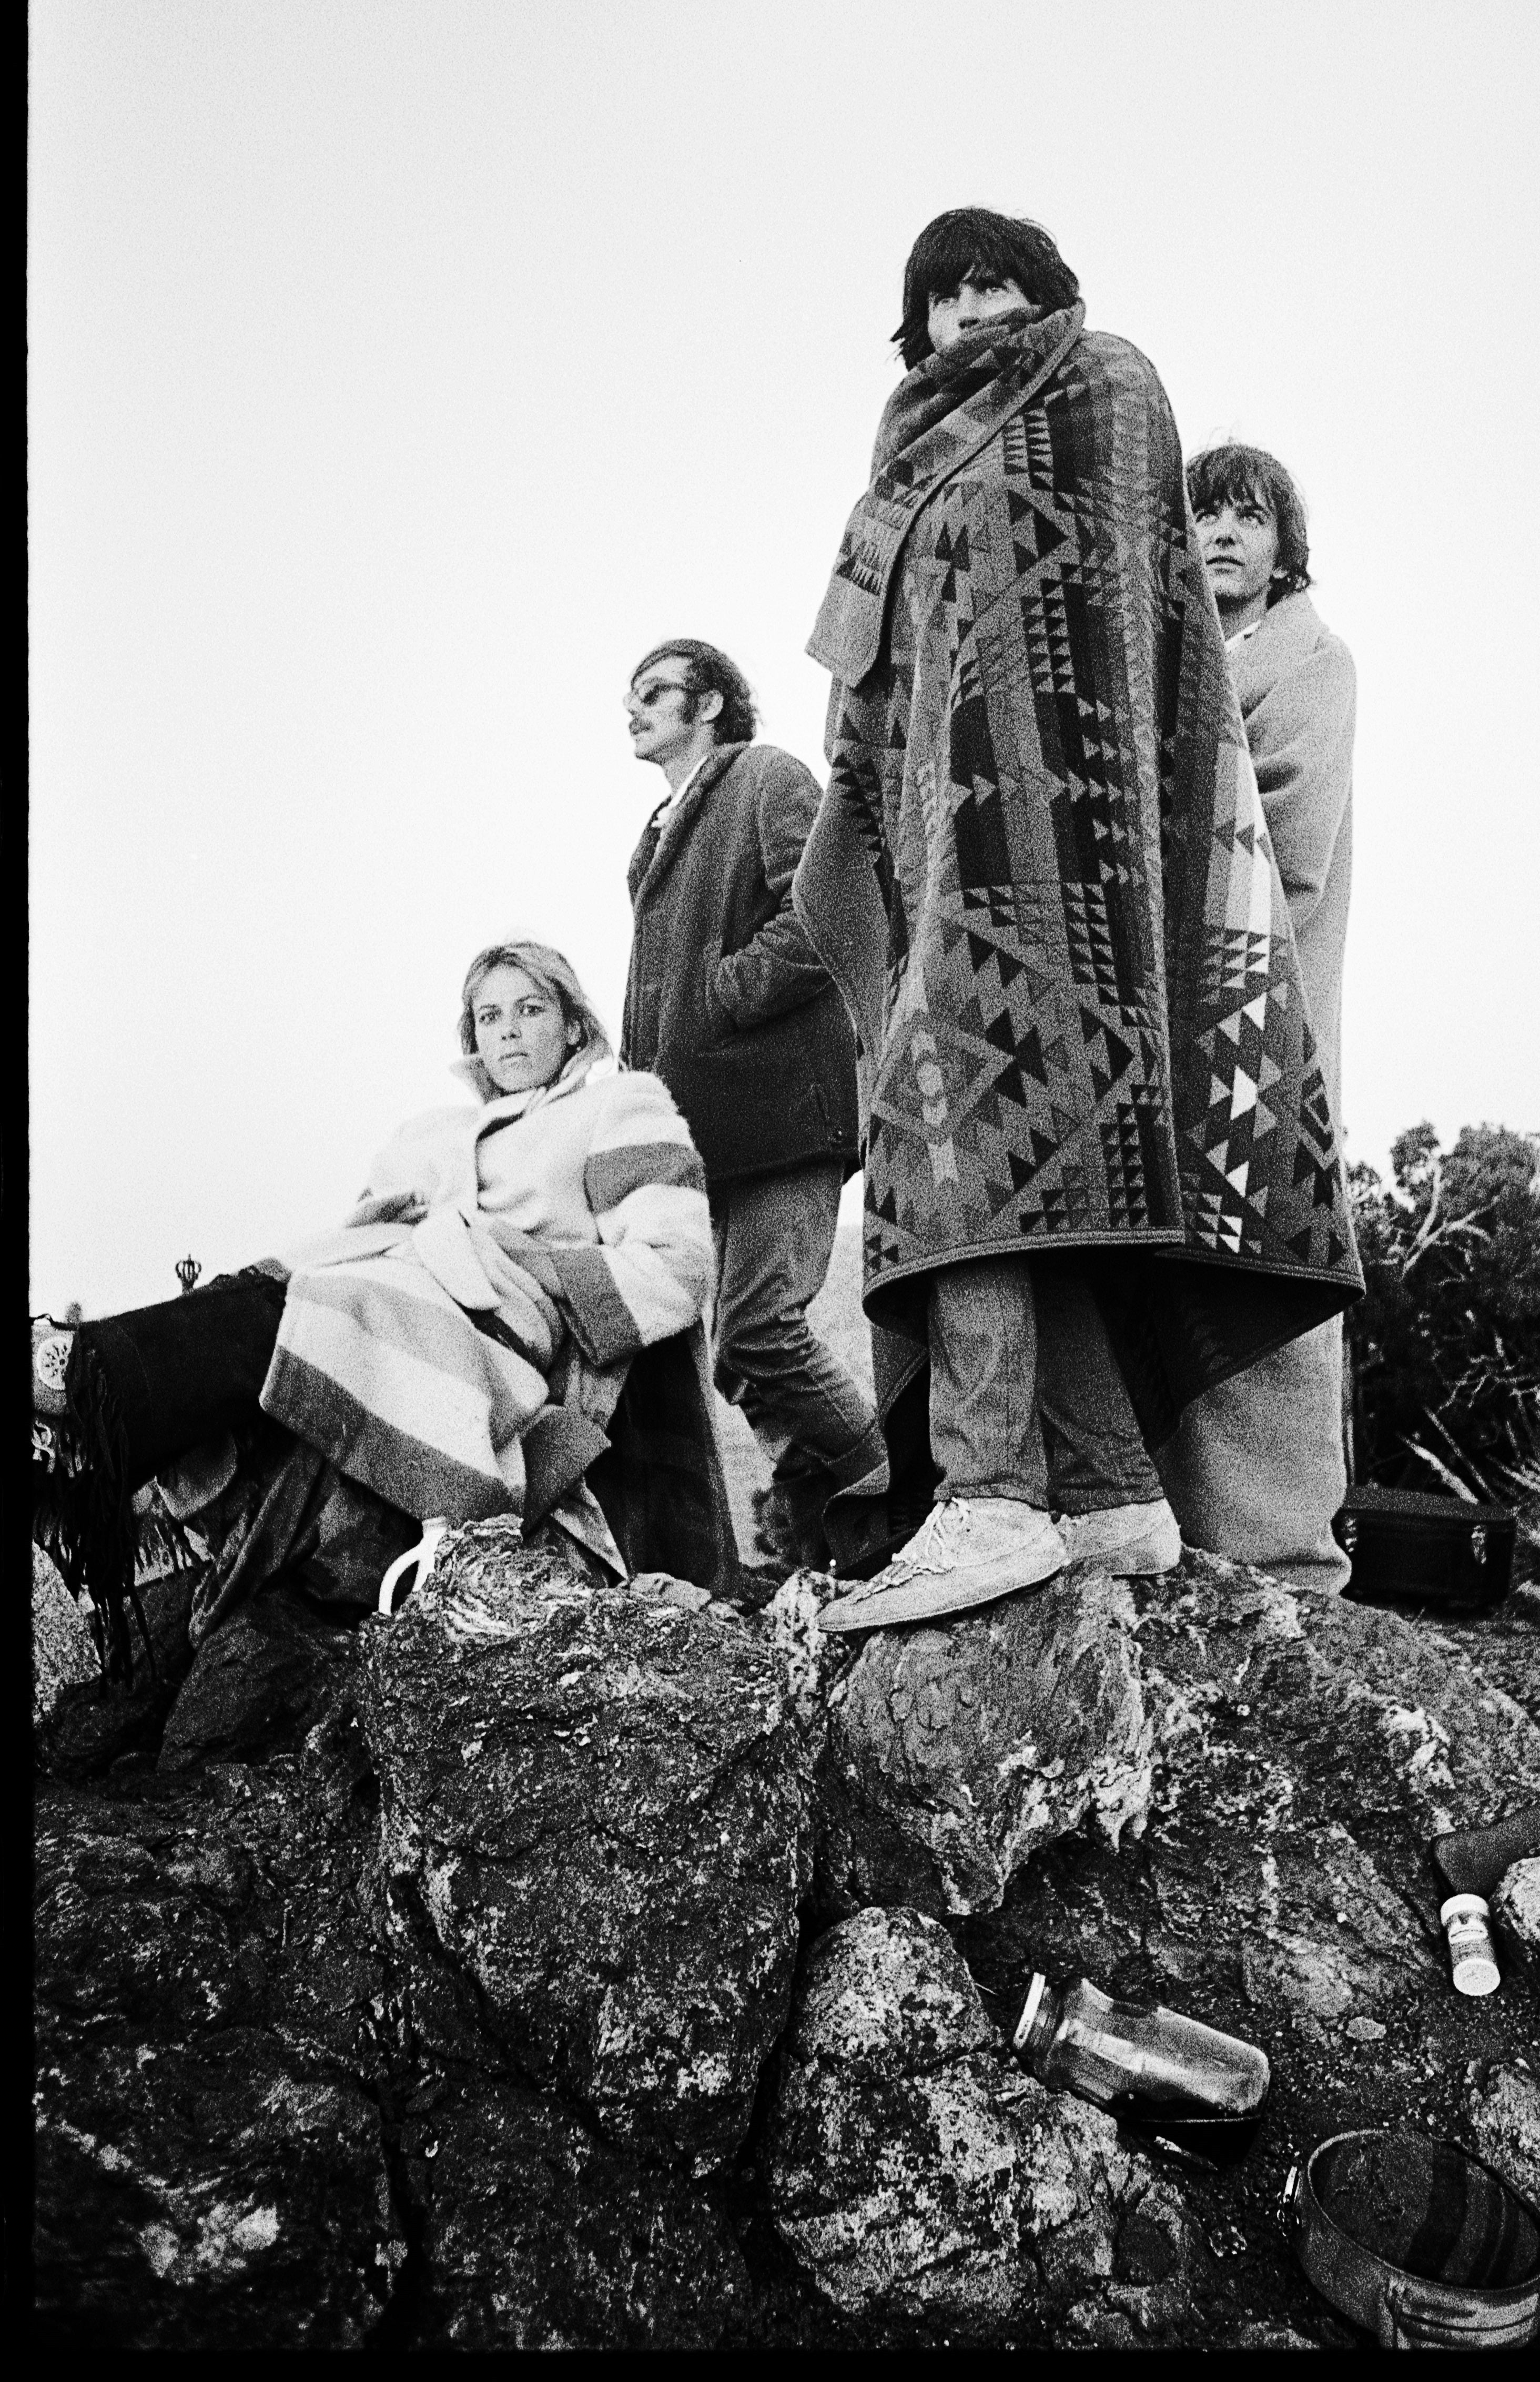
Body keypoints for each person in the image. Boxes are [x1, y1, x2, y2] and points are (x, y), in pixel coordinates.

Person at [795, 207, 1362, 1634]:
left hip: (1078, 858)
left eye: (1000, 280)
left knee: (973, 1141)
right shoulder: (893, 476)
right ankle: (1108, 1488)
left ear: (1046, 293)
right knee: (1029, 1170)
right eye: (945, 289)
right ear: (913, 321)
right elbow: (889, 689)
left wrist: (1032, 819)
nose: (975, 306)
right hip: (952, 861)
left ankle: (988, 1495)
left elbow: (1107, 622)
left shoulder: (1102, 385)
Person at [59, 940, 738, 1654]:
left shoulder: (617, 1107)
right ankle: (89, 1440)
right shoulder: (431, 1135)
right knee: (310, 1295)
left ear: (573, 1025)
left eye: (530, 1009)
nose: (507, 1029)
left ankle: (92, 1382)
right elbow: (356, 1237)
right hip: (404, 1296)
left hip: (507, 1328)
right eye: (488, 1016)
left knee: (337, 1303)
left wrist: (521, 1255)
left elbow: (676, 1269)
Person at [619, 638, 881, 1567]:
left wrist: (727, 993)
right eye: (631, 697)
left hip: (782, 1114)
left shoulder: (764, 777)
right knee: (735, 1355)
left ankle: (894, 1496)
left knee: (763, 1329)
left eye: (655, 692)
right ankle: (828, 1547)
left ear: (711, 706)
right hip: (701, 1135)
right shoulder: (655, 835)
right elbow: (651, 999)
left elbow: (828, 907)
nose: (634, 709)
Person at [1161, 444, 1359, 1589]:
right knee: (1180, 1264)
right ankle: (1187, 1550)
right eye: (1202, 514)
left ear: (1286, 545)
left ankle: (1287, 1562)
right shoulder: (1178, 659)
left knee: (1272, 1261)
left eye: (1249, 516)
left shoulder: (1314, 665)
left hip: (1262, 1014)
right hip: (1170, 1021)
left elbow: (1288, 852)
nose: (1223, 533)